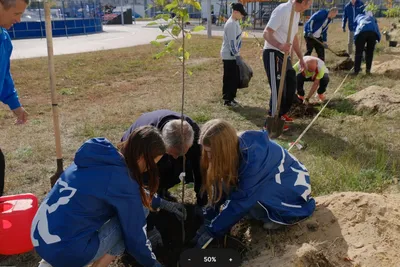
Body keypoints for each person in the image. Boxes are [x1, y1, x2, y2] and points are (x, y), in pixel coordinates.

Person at [31, 126, 186, 267]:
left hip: (40, 238)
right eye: (151, 164)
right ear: (141, 158)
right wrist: (153, 264)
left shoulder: (99, 158)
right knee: (140, 211)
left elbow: (129, 193)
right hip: (68, 253)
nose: (147, 171)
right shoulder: (123, 181)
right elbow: (135, 239)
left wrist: (163, 203)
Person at [192, 119, 316, 248]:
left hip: (289, 184)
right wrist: (209, 217)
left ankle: (275, 217)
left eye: (211, 152)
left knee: (254, 200)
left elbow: (242, 200)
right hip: (266, 179)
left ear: (224, 148)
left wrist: (212, 231)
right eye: (206, 151)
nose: (209, 156)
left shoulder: (253, 158)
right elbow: (220, 184)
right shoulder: (231, 149)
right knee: (232, 187)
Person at [263, 0, 312, 129]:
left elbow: (293, 38)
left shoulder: (296, 13)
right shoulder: (283, 10)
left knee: (290, 84)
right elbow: (266, 33)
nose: (309, 6)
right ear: (301, 2)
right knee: (278, 87)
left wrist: (301, 58)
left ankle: (282, 113)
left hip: (285, 55)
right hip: (273, 52)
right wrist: (279, 45)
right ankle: (272, 120)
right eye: (308, 3)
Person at [0, 0, 29, 196]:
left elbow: (4, 75)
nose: (18, 19)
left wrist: (15, 105)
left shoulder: (4, 38)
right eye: (16, 13)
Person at [220, 3, 247, 107]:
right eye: (241, 14)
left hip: (233, 55)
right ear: (235, 12)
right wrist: (236, 55)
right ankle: (228, 99)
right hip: (229, 55)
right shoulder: (231, 24)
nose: (242, 16)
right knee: (229, 77)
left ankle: (232, 98)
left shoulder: (235, 22)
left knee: (234, 77)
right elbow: (232, 42)